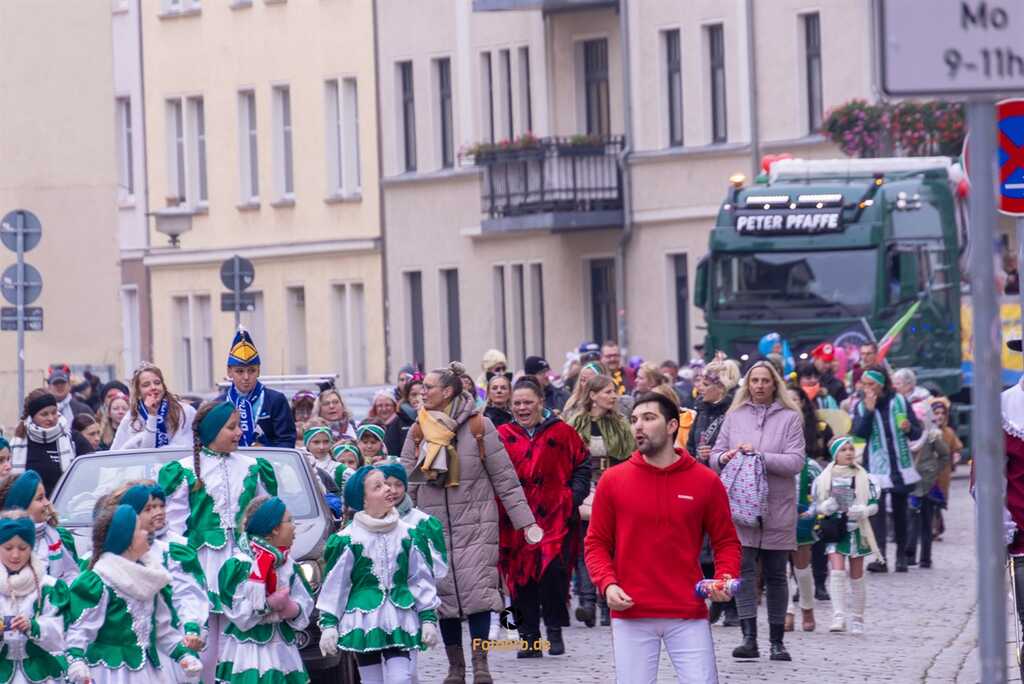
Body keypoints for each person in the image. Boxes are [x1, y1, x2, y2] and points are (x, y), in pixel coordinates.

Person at [399, 362, 541, 684]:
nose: (423, 392)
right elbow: (406, 482)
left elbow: (504, 477)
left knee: (478, 596)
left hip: (477, 525)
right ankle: (455, 665)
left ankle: (480, 662)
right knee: (444, 597)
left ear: (447, 391)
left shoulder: (480, 426)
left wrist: (525, 522)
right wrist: (397, 522)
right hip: (433, 528)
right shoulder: (418, 430)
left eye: (429, 387)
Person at [586, 392, 741, 683]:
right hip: (631, 612)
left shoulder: (705, 481)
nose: (638, 427)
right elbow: (595, 543)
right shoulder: (612, 481)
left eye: (648, 418)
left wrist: (725, 576)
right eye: (633, 420)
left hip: (687, 612)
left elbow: (726, 542)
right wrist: (607, 585)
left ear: (672, 426)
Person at [158, 400, 278, 679]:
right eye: (231, 427)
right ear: (212, 431)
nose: (238, 433)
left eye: (239, 426)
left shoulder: (252, 467)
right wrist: (183, 563)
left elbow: (266, 515)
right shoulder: (184, 470)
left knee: (239, 641)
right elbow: (172, 526)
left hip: (243, 563)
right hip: (203, 563)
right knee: (204, 640)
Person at [712, 360, 805, 662]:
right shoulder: (734, 416)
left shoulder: (791, 418)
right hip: (741, 505)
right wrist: (727, 456)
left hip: (778, 505)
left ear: (774, 384)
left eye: (766, 381)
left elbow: (795, 462)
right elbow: (715, 456)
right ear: (748, 384)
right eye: (755, 381)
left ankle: (777, 641)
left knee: (778, 573)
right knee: (744, 570)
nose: (760, 386)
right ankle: (748, 637)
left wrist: (761, 457)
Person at [317, 466, 441, 684]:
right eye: (378, 487)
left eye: (386, 483)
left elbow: (419, 577)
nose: (387, 489)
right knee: (371, 681)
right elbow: (336, 585)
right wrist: (329, 624)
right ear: (363, 501)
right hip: (364, 620)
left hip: (400, 614)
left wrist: (428, 616)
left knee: (401, 679)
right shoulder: (348, 539)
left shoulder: (408, 533)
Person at [497, 378, 590, 657]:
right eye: (517, 403)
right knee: (519, 579)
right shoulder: (501, 435)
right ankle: (529, 638)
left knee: (552, 574)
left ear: (540, 402)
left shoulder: (562, 432)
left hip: (554, 518)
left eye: (528, 402)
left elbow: (582, 464)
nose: (522, 408)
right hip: (515, 520)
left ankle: (554, 630)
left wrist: (572, 498)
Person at [64, 504, 202, 683]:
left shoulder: (150, 577)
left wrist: (183, 656)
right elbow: (80, 629)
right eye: (141, 529)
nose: (148, 532)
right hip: (111, 673)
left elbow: (162, 630)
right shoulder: (101, 579)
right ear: (126, 539)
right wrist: (76, 662)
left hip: (147, 671)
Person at [218, 496, 313, 684]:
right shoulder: (241, 564)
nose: (294, 526)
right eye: (289, 521)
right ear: (274, 529)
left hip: (283, 650)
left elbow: (305, 600)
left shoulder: (288, 564)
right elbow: (237, 614)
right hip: (250, 651)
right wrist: (269, 605)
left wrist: (293, 609)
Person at [567, 373, 635, 628]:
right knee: (587, 544)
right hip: (586, 486)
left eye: (613, 391)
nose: (613, 396)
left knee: (614, 546)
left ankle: (608, 601)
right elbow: (567, 458)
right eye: (607, 391)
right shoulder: (576, 422)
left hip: (614, 486)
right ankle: (587, 602)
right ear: (593, 395)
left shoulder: (620, 423)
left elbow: (630, 455)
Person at [852, 366, 922, 573]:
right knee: (876, 512)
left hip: (900, 465)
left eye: (871, 384)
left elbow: (916, 433)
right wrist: (869, 411)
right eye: (864, 384)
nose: (867, 388)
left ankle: (902, 556)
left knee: (901, 512)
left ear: (882, 384)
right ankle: (879, 557)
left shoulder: (899, 401)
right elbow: (859, 435)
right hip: (875, 466)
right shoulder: (861, 406)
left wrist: (910, 428)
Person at [813, 436, 882, 635]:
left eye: (851, 449)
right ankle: (839, 615)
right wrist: (825, 507)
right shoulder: (825, 477)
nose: (849, 453)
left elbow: (874, 503)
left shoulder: (864, 476)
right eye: (843, 450)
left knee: (857, 574)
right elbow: (818, 502)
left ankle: (858, 617)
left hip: (857, 529)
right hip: (835, 528)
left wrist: (865, 510)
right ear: (835, 454)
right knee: (836, 571)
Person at [0, 511, 66, 684]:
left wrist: (34, 626)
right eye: (8, 548)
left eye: (23, 548)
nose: (15, 555)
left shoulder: (47, 586)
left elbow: (61, 631)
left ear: (32, 547)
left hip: (40, 672)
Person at [218, 327, 296, 448]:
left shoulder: (275, 400)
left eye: (252, 371)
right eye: (239, 371)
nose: (246, 377)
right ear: (229, 372)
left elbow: (286, 441)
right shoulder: (219, 403)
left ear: (259, 371)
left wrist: (265, 450)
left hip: (268, 464)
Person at [0, 470, 80, 583]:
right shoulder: (3, 539)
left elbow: (71, 574)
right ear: (21, 506)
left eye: (45, 496)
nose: (47, 503)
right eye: (40, 498)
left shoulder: (55, 536)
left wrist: (59, 594)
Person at [112, 362, 196, 450]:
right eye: (146, 385)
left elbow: (187, 446)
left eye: (157, 383)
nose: (153, 387)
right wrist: (152, 416)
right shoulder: (131, 418)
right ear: (138, 392)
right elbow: (146, 453)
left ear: (163, 386)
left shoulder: (184, 411)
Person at [903, 416, 950, 568]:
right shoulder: (901, 438)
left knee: (926, 523)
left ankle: (925, 558)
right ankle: (909, 557)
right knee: (910, 522)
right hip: (909, 484)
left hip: (927, 484)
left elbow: (945, 454)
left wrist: (934, 469)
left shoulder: (931, 436)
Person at [9, 390, 75, 495]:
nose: (51, 418)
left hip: (61, 506)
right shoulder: (18, 442)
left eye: (54, 412)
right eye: (44, 414)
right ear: (33, 416)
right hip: (28, 507)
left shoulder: (69, 437)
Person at [930, 397, 963, 540]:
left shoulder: (949, 432)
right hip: (928, 473)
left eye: (942, 413)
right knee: (928, 501)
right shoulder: (927, 431)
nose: (940, 416)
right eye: (936, 413)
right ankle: (931, 529)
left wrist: (955, 456)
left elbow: (956, 448)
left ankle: (936, 528)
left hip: (943, 474)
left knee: (939, 502)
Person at [385, 374, 424, 456]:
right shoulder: (398, 421)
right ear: (407, 397)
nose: (418, 398)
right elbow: (392, 452)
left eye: (421, 394)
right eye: (414, 395)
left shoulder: (435, 417)